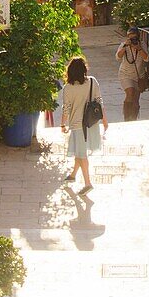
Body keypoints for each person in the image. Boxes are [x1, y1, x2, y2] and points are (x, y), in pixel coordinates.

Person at [60, 56, 107, 194]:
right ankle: (73, 175)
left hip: (76, 125)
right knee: (79, 152)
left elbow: (66, 109)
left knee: (81, 154)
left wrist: (62, 124)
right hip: (91, 124)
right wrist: (104, 120)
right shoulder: (92, 81)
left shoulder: (67, 88)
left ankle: (87, 183)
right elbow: (99, 101)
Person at [116, 27, 149, 121]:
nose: (133, 40)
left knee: (136, 99)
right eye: (130, 38)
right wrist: (125, 46)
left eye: (134, 38)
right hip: (125, 74)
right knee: (130, 92)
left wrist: (139, 49)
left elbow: (146, 58)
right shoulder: (124, 45)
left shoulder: (142, 45)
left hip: (139, 76)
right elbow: (118, 57)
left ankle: (133, 119)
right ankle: (127, 118)